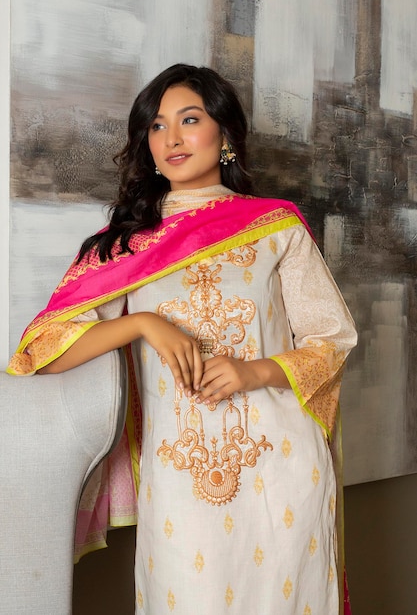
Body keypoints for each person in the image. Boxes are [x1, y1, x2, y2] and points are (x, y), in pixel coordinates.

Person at [8, 64, 357, 614]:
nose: (170, 138)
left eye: (189, 120)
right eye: (156, 126)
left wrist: (253, 371)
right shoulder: (120, 245)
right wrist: (142, 324)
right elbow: (42, 353)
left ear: (225, 135)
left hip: (281, 466)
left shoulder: (276, 227)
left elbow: (330, 340)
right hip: (178, 474)